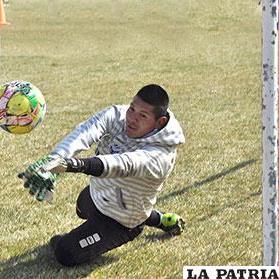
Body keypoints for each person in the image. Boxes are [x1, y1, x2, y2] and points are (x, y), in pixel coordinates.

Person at [19, 84, 186, 267]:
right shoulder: (117, 115)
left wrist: (71, 165)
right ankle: (158, 218)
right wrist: (54, 159)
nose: (131, 118)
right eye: (132, 108)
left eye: (143, 116)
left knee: (65, 252)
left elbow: (122, 164)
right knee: (81, 207)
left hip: (122, 219)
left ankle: (140, 223)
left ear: (159, 122)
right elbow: (85, 132)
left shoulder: (162, 155)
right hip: (100, 193)